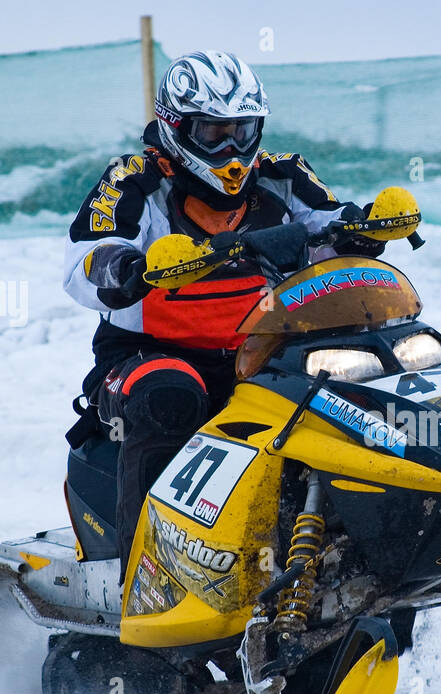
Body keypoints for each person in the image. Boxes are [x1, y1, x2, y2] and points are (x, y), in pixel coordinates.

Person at [62, 50, 380, 574]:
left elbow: (329, 223)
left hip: (266, 348)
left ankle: (361, 550)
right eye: (213, 133)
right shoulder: (133, 181)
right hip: (148, 352)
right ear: (176, 128)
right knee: (167, 395)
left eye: (243, 129)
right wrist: (126, 268)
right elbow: (84, 261)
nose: (231, 148)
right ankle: (145, 578)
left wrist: (367, 228)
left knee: (348, 389)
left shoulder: (283, 174)